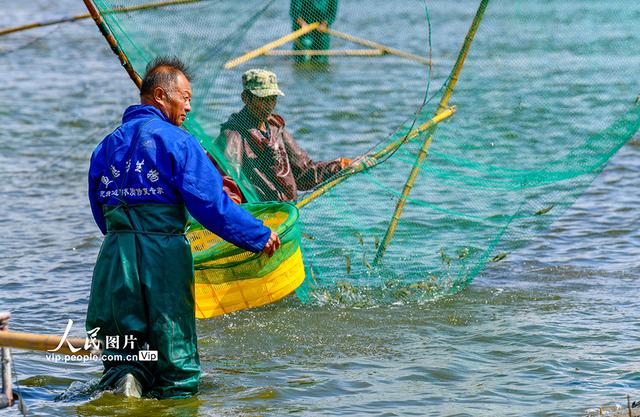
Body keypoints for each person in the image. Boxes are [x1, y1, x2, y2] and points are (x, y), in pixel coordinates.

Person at [86, 57, 280, 399]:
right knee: (175, 359)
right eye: (185, 97)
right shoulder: (178, 141)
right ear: (161, 95)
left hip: (114, 258)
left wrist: (126, 239)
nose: (189, 107)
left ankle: (126, 384)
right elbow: (211, 206)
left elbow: (99, 210)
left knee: (123, 352)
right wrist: (259, 235)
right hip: (163, 256)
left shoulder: (106, 144)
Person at [212, 69, 351, 202]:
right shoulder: (233, 134)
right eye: (263, 99)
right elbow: (227, 182)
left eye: (273, 99)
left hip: (285, 211)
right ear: (246, 98)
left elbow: (304, 173)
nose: (269, 105)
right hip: (258, 214)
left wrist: (341, 166)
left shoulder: (276, 129)